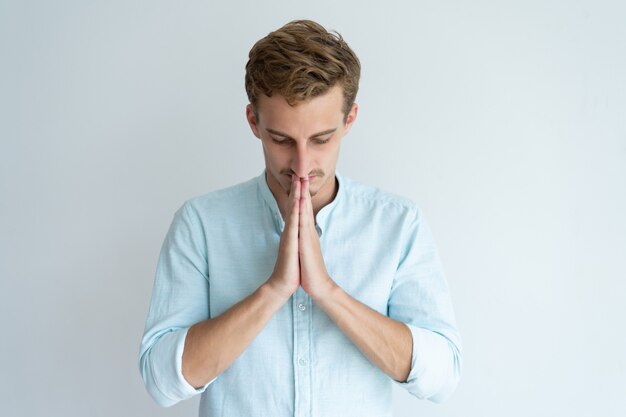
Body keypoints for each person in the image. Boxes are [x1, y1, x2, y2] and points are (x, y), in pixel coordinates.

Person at [139, 19, 462, 417]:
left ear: (350, 119)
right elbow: (161, 381)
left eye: (321, 139)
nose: (303, 165)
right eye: (282, 140)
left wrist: (327, 291)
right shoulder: (201, 224)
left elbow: (442, 377)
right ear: (254, 122)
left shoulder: (398, 224)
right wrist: (274, 290)